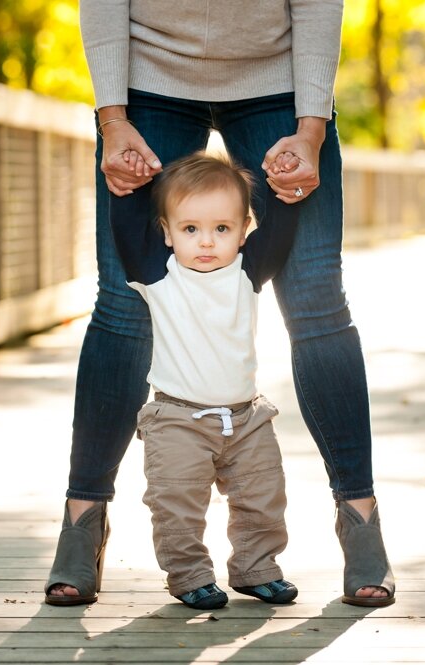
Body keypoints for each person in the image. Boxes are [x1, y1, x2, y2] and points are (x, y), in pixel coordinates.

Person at [45, 0, 396, 608]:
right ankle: (83, 518)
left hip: (278, 82)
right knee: (122, 305)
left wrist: (310, 129)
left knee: (316, 300)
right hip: (148, 81)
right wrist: (112, 119)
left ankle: (360, 517)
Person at [120, 151, 300, 609]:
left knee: (263, 499)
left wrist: (285, 183)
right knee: (176, 504)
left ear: (243, 231)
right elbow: (125, 226)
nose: (206, 242)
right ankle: (189, 575)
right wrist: (128, 188)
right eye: (190, 229)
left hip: (247, 419)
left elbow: (278, 231)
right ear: (167, 232)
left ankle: (257, 568)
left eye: (222, 228)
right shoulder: (158, 275)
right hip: (176, 419)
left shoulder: (247, 271)